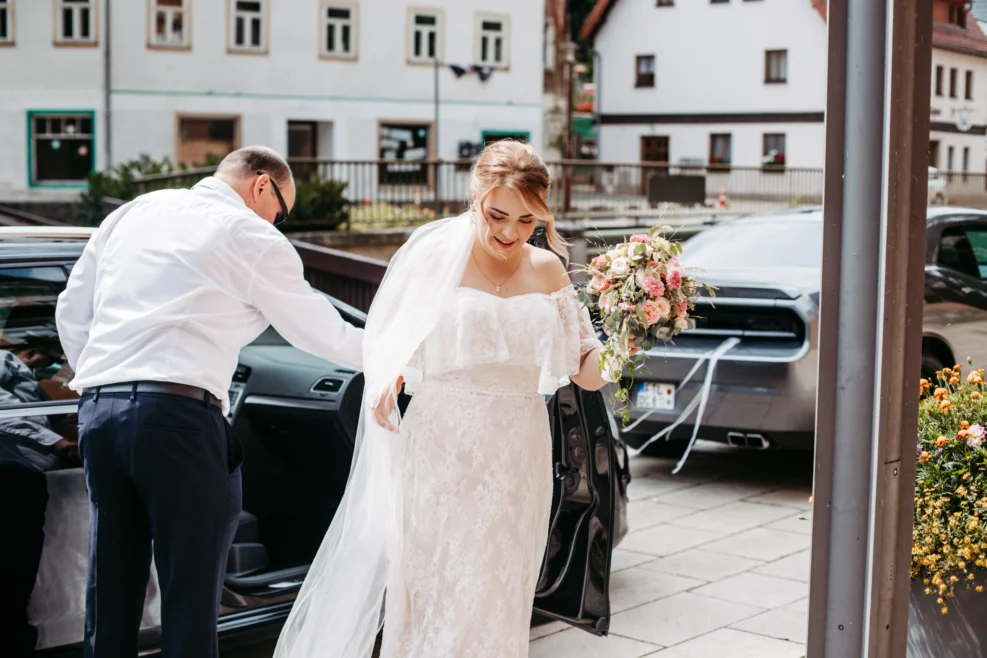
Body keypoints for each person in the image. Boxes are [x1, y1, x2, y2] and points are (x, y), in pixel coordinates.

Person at [274, 140, 623, 658]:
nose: (509, 233)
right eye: (497, 215)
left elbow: (588, 374)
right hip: (442, 445)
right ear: (474, 195)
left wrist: (630, 339)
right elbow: (387, 338)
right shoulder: (432, 256)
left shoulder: (548, 270)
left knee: (498, 592)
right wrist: (388, 376)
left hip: (518, 451)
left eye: (527, 221)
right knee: (437, 589)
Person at [54, 146, 364, 658]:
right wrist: (395, 353)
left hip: (101, 416)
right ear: (261, 185)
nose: (278, 224)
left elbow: (72, 307)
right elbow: (322, 331)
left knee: (110, 588)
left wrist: (102, 378)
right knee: (191, 597)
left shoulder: (132, 213)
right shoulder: (249, 234)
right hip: (178, 421)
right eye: (281, 212)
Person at [0, 338, 76, 657]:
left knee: (23, 561)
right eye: (48, 360)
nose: (52, 368)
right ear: (30, 352)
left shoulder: (27, 380)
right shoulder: (5, 360)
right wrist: (57, 443)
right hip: (11, 475)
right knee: (14, 561)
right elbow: (6, 412)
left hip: (27, 475)